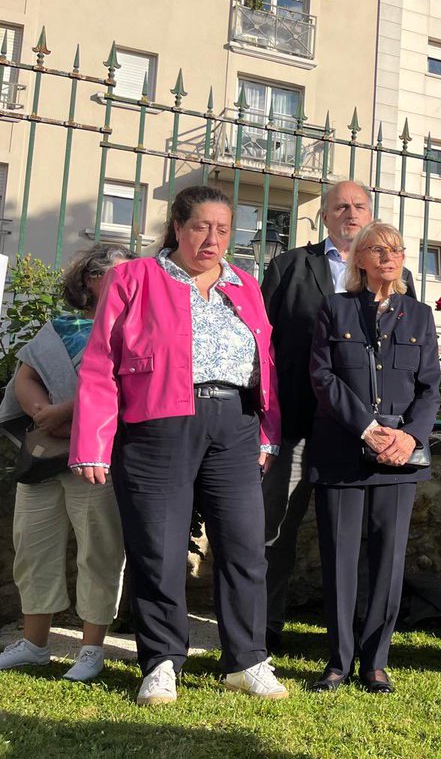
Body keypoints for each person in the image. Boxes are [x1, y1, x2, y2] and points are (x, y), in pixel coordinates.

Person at [69, 185, 287, 705]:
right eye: (200, 227)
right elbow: (101, 362)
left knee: (243, 547)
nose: (211, 240)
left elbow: (266, 364)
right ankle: (161, 661)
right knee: (159, 549)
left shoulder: (246, 286)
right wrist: (93, 441)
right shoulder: (134, 277)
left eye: (223, 230)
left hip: (234, 424)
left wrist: (267, 432)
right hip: (158, 423)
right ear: (178, 227)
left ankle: (247, 659)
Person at [260, 180, 415, 652]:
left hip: (369, 434)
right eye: (340, 206)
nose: (350, 213)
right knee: (274, 532)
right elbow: (261, 344)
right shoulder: (290, 266)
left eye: (359, 205)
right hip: (297, 426)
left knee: (368, 539)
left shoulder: (393, 277)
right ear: (324, 216)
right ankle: (262, 630)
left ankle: (363, 639)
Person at [306, 223, 439, 694]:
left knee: (389, 559)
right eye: (379, 249)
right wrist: (366, 427)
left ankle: (376, 661)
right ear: (359, 258)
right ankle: (338, 661)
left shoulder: (420, 315)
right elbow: (323, 377)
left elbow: (430, 387)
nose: (390, 256)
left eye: (398, 249)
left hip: (399, 458)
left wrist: (409, 438)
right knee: (340, 559)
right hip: (342, 451)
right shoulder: (333, 308)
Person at [0, 245, 134, 681]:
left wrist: (68, 413)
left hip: (97, 457)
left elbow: (125, 386)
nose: (123, 279)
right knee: (32, 549)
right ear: (89, 279)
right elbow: (26, 376)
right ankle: (35, 644)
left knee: (100, 550)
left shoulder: (135, 328)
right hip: (45, 460)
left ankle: (91, 650)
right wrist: (42, 412)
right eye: (114, 273)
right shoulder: (60, 327)